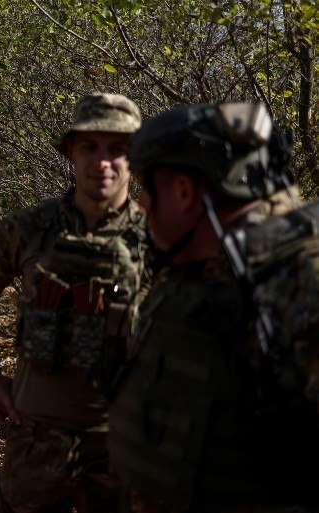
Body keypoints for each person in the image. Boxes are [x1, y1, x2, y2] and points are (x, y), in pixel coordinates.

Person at [108, 102, 319, 512]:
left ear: (184, 192)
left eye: (146, 190)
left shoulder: (299, 280)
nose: (143, 207)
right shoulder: (197, 270)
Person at [0, 93, 149, 513]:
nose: (102, 162)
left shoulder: (160, 241)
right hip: (36, 441)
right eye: (89, 147)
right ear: (70, 151)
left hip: (121, 446)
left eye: (117, 149)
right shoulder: (27, 230)